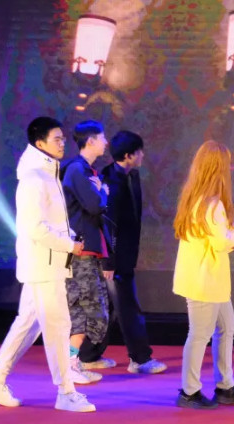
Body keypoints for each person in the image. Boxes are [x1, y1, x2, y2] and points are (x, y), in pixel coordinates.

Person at [0, 116, 95, 412]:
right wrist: (68, 244)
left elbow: (50, 222)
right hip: (43, 264)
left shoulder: (46, 173)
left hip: (47, 263)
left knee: (28, 324)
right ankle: (66, 392)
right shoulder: (34, 178)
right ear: (40, 143)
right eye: (57, 139)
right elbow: (35, 228)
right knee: (58, 326)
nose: (62, 143)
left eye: (62, 138)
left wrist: (70, 239)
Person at [79, 131, 167, 374]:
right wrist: (109, 262)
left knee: (107, 307)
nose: (143, 155)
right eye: (139, 152)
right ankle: (140, 359)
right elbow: (107, 226)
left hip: (126, 254)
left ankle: (88, 356)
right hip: (113, 258)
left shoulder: (132, 176)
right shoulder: (110, 182)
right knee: (128, 308)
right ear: (128, 155)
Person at [172, 140, 234, 410]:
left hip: (209, 280)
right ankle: (189, 392)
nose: (231, 168)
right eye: (227, 163)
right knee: (200, 335)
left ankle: (225, 385)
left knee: (226, 327)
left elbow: (214, 240)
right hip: (204, 281)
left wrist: (231, 236)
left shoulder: (197, 199)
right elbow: (220, 242)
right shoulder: (211, 204)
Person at [60, 120, 112, 382]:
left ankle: (72, 363)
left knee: (90, 311)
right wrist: (102, 192)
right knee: (86, 311)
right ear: (90, 141)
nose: (106, 142)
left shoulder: (86, 170)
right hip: (79, 253)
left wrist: (100, 191)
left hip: (88, 251)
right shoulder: (77, 170)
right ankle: (69, 365)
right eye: (102, 137)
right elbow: (94, 204)